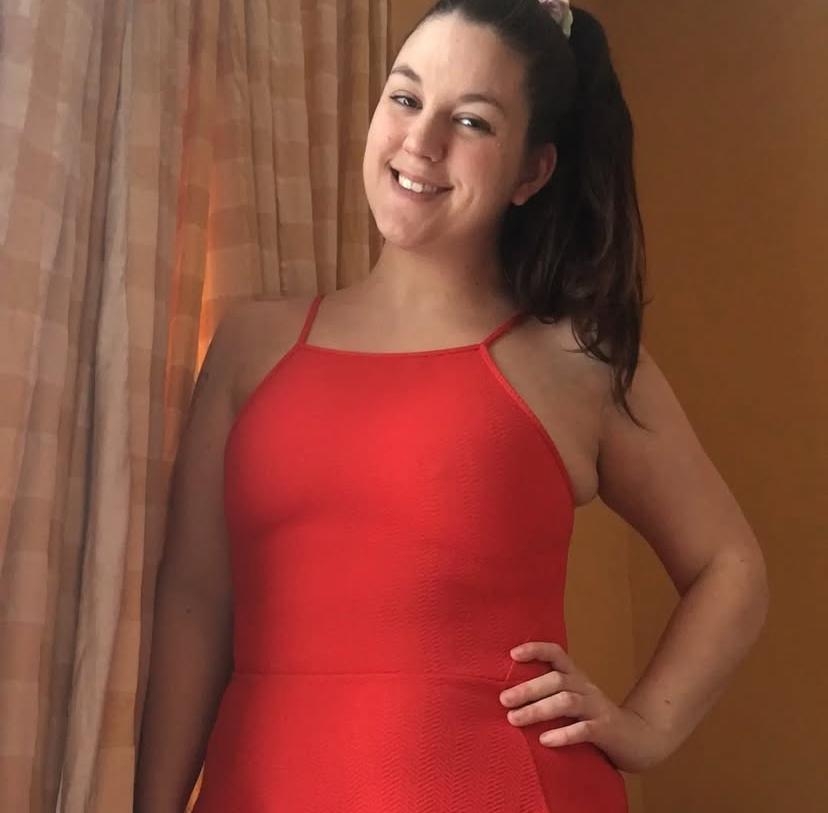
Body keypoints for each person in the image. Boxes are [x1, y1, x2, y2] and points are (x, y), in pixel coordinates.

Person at [134, 1, 769, 811]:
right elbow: (194, 601)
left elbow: (730, 567)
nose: (421, 141)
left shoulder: (578, 360)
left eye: (471, 121)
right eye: (405, 98)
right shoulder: (248, 345)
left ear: (532, 172)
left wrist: (645, 725)